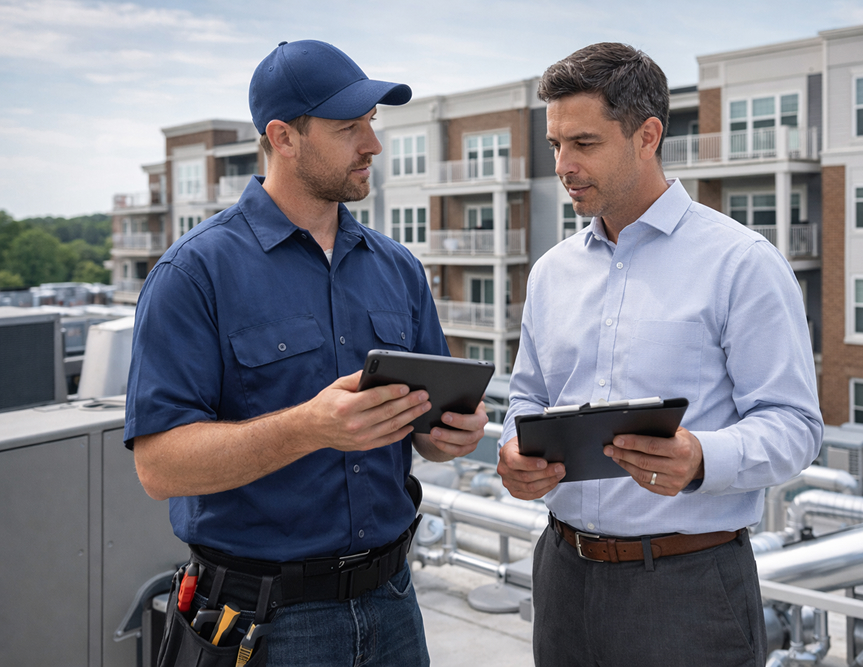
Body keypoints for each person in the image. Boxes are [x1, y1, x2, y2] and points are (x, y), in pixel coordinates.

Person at [125, 39, 487, 666]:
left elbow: (427, 432)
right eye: (349, 127)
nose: (372, 144)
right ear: (283, 138)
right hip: (263, 623)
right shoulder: (194, 273)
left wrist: (449, 432)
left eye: (371, 123)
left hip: (395, 601)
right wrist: (308, 428)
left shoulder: (398, 268)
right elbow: (161, 468)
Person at [496, 43, 823, 667]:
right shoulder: (550, 273)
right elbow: (528, 397)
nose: (564, 165)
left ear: (648, 134)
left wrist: (701, 457)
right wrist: (516, 450)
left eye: (584, 143)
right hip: (562, 576)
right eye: (556, 145)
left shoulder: (741, 263)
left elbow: (796, 426)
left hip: (688, 588)